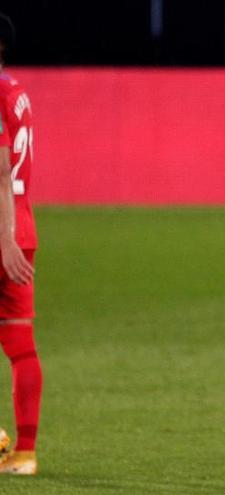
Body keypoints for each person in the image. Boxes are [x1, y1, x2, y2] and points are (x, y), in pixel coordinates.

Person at [0, 12, 41, 476]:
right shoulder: (18, 91)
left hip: (5, 229)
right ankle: (25, 454)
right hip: (23, 224)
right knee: (19, 341)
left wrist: (4, 236)